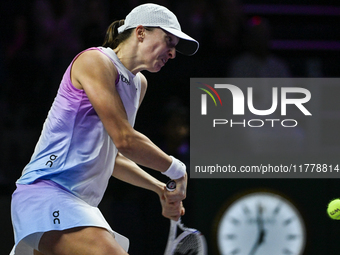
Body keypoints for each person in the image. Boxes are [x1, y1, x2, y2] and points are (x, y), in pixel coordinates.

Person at [10, 3, 199, 255]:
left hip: (80, 205)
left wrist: (159, 188)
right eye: (168, 41)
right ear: (140, 32)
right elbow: (125, 139)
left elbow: (114, 157)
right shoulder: (95, 61)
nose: (173, 53)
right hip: (48, 192)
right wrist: (177, 170)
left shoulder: (138, 84)